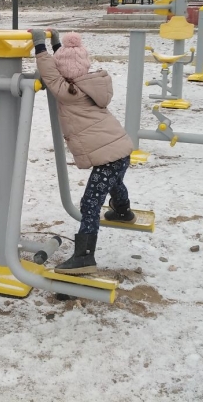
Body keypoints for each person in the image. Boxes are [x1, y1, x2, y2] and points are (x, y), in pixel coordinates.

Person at [32, 29, 135, 275]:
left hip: (107, 155)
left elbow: (51, 74)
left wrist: (40, 46)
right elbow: (65, 66)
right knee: (113, 181)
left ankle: (84, 256)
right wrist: (58, 44)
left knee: (90, 202)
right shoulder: (87, 84)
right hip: (119, 150)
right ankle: (122, 210)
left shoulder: (69, 93)